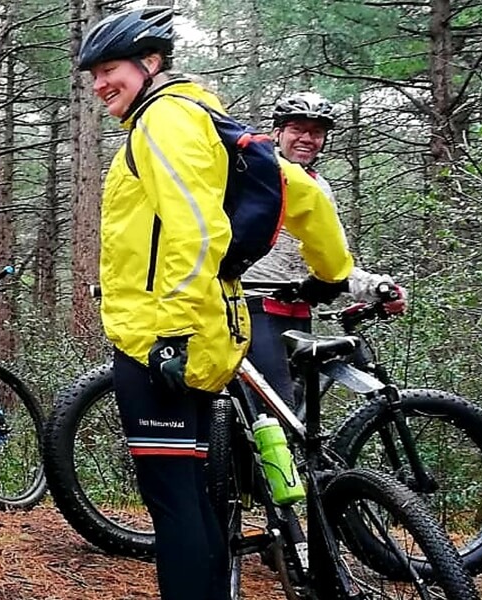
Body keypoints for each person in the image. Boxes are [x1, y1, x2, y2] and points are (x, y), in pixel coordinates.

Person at [79, 7, 355, 600]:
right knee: (195, 492)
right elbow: (302, 191)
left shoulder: (162, 122)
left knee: (173, 500)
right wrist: (334, 273)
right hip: (212, 328)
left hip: (162, 339)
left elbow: (195, 228)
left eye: (110, 69)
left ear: (150, 62)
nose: (100, 84)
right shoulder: (207, 117)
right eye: (93, 74)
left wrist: (172, 333)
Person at [242, 91, 409, 409]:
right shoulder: (256, 175)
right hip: (254, 308)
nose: (307, 138)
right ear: (278, 132)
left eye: (316, 132)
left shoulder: (319, 188)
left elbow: (332, 260)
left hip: (297, 314)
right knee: (279, 415)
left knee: (297, 423)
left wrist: (375, 287)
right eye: (297, 129)